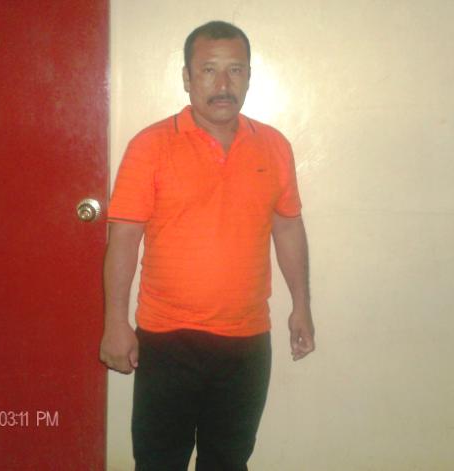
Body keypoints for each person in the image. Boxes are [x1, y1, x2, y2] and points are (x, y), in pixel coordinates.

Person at [100, 20, 315, 471]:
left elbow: (288, 228)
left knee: (229, 461)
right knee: (159, 462)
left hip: (247, 340)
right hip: (167, 338)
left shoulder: (274, 146)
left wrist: (301, 305)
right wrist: (115, 323)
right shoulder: (151, 146)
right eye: (209, 70)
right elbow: (124, 239)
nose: (223, 85)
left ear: (249, 76)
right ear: (187, 77)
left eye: (235, 70)